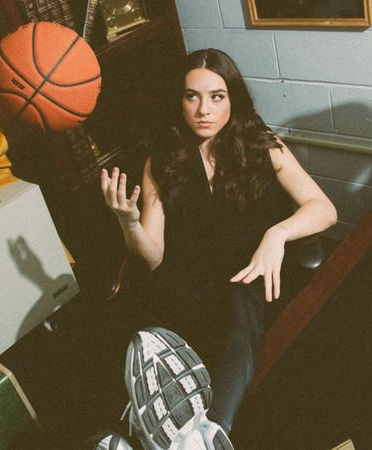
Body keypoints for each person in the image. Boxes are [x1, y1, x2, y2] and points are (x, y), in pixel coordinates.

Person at [99, 48, 337, 449]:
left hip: (247, 277)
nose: (203, 109)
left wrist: (276, 234)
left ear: (233, 99)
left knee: (233, 310)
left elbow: (324, 209)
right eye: (192, 96)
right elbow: (153, 254)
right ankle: (136, 435)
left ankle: (209, 434)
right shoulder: (164, 158)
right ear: (180, 101)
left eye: (216, 96)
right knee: (145, 346)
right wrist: (129, 222)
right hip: (184, 283)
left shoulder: (262, 145)